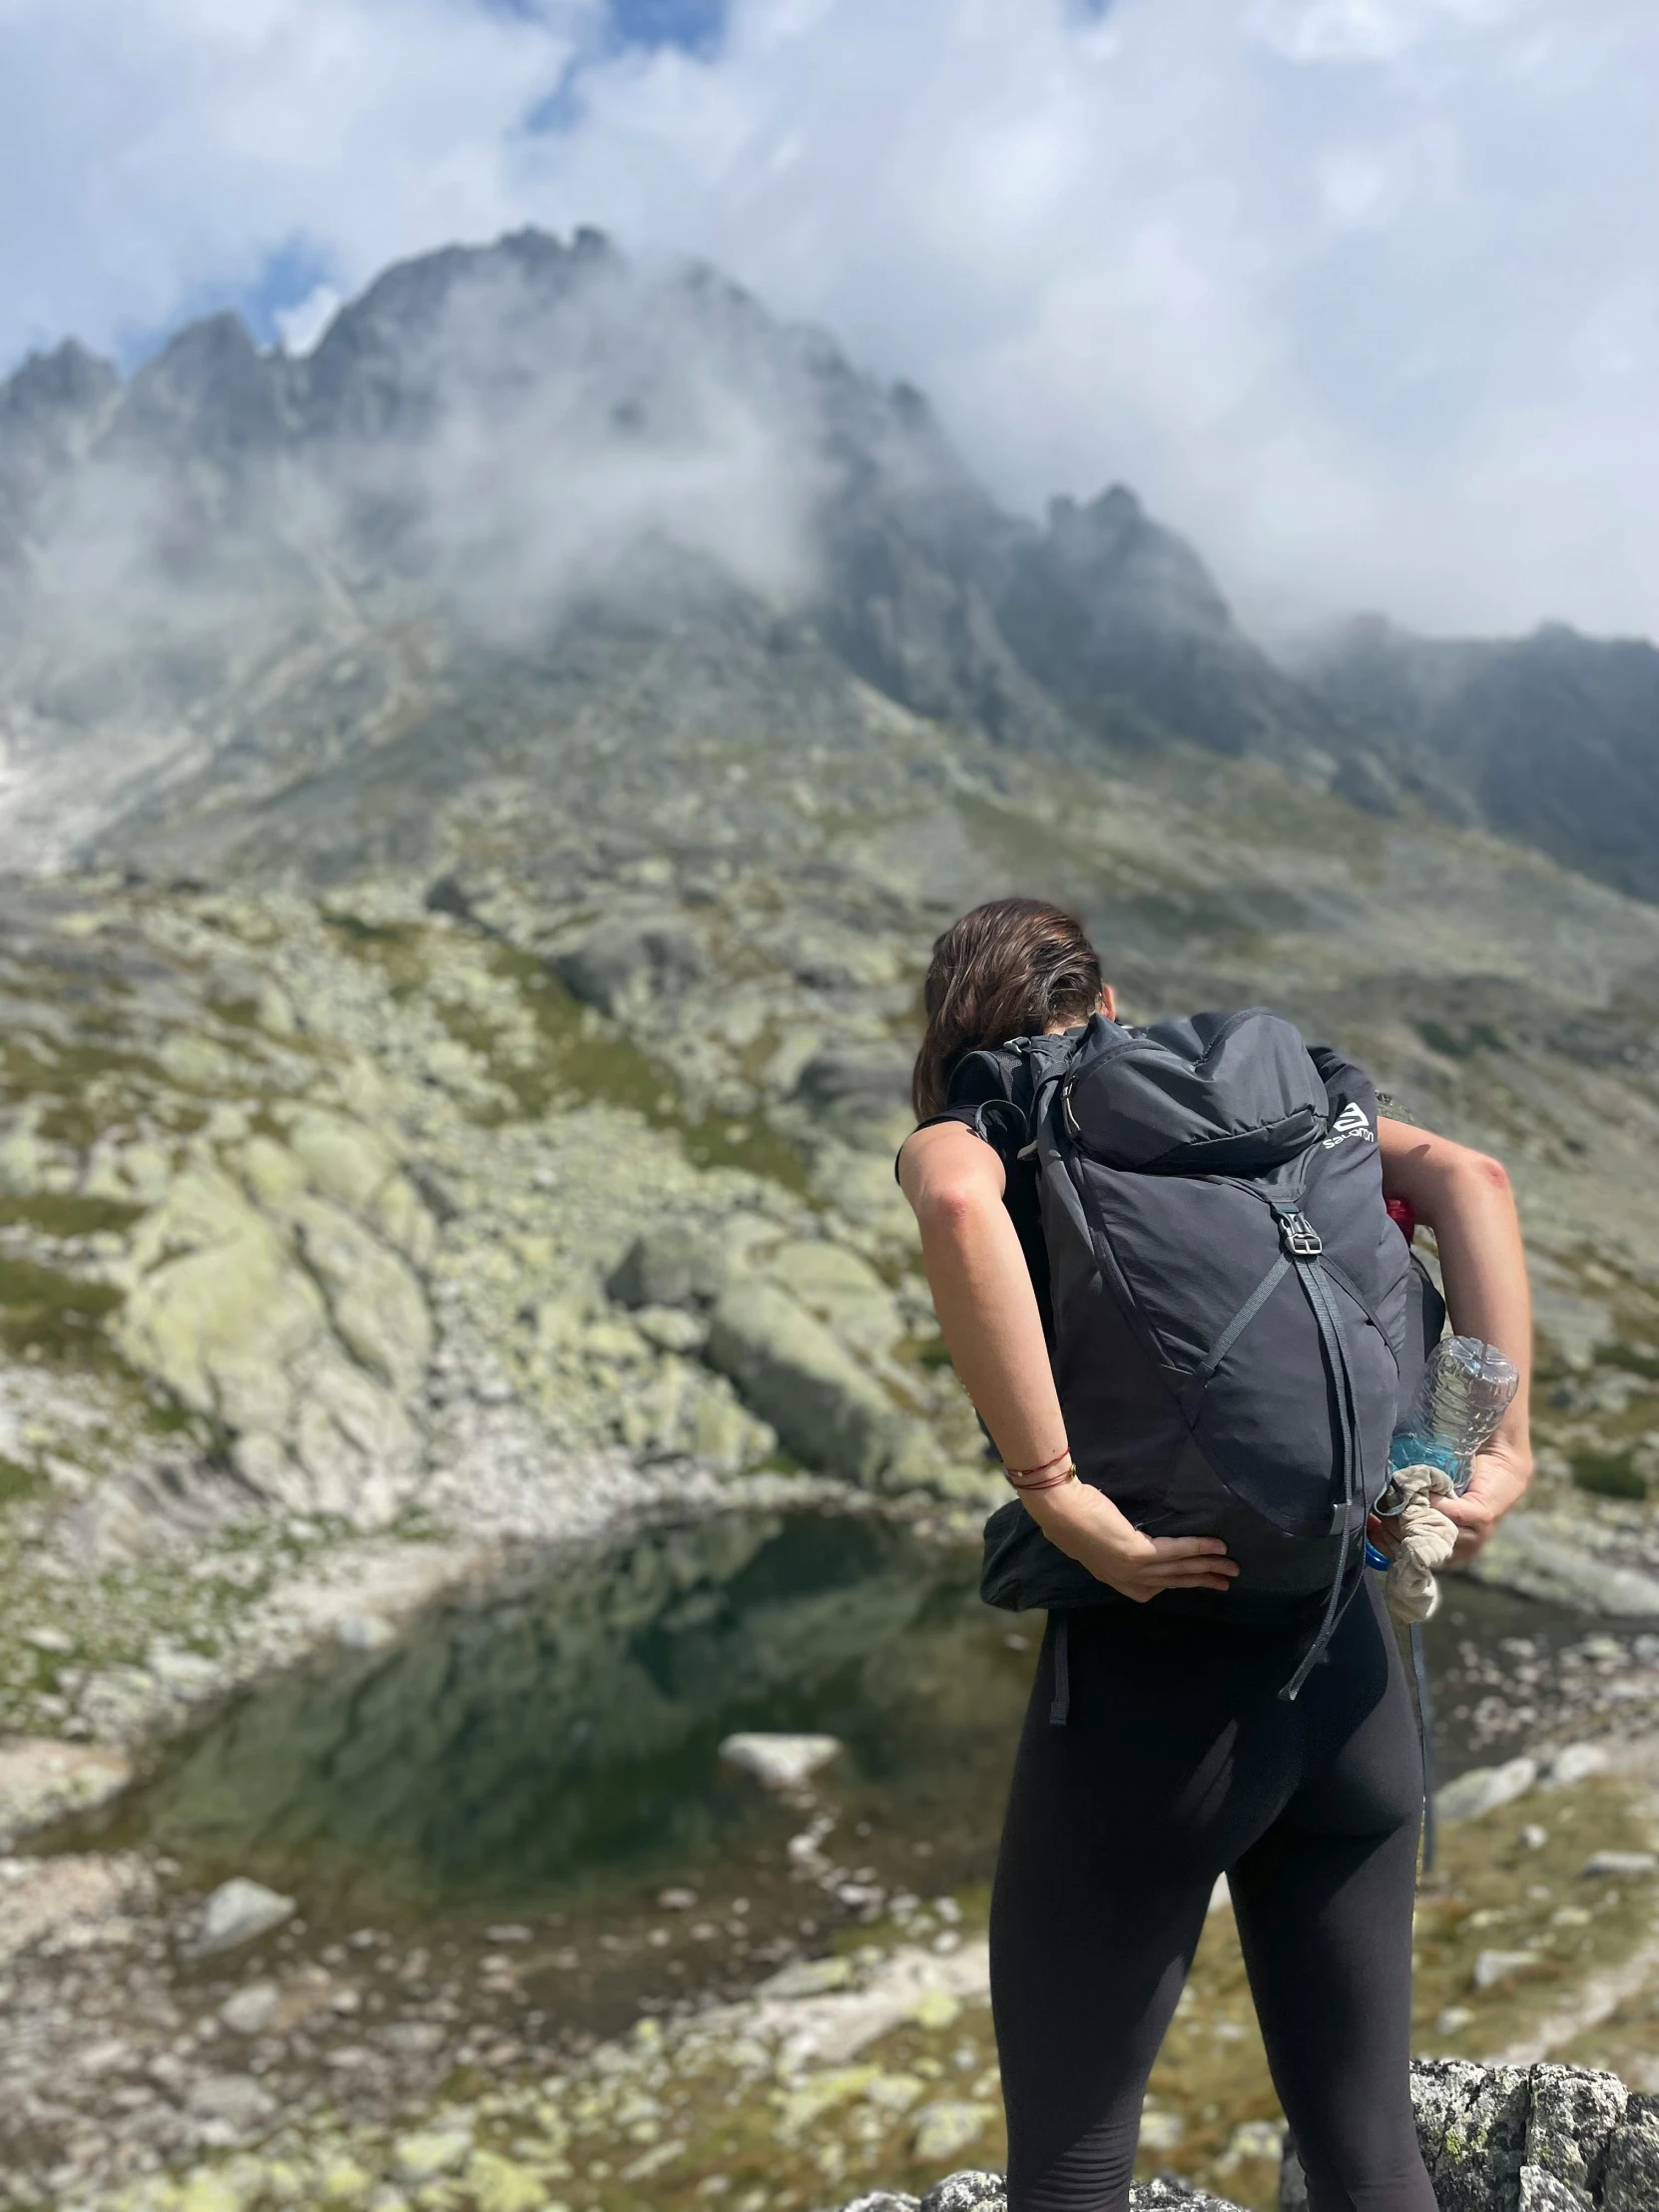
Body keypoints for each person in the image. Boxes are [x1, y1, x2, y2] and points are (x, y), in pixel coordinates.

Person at [896, 897, 1532, 2212]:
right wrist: (1503, 1452)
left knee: (1072, 2161)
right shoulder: (1276, 1097)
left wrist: (1056, 1491)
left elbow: (956, 1203)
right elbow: (1474, 1179)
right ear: (1108, 1004)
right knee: (1364, 2145)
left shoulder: (997, 1123)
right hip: (1351, 1678)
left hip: (1153, 1702)